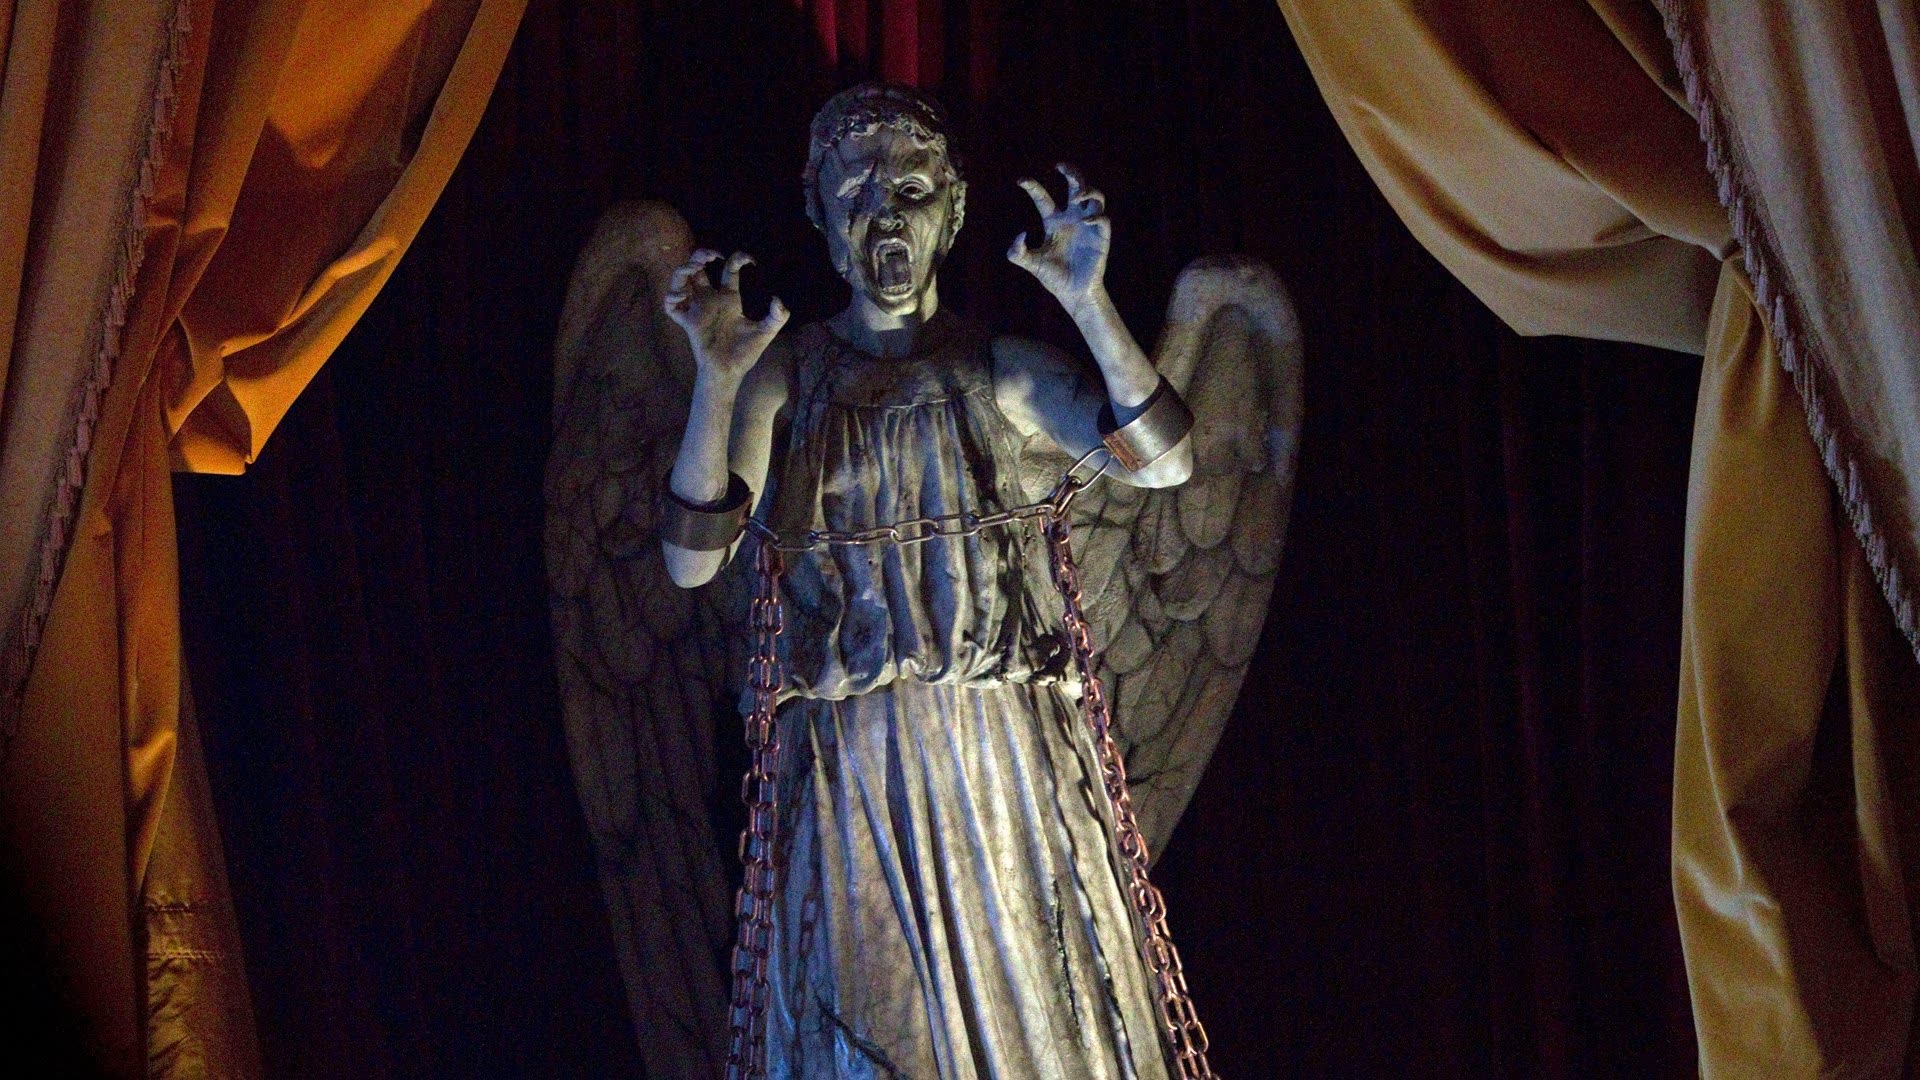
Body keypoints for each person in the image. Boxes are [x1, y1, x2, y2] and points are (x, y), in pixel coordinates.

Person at [658, 82, 1193, 1079]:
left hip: (998, 756)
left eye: (910, 189)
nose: (886, 214)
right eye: (856, 193)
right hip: (854, 762)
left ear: (952, 210)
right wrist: (718, 379)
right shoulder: (789, 376)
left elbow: (1164, 464)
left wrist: (1088, 301)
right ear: (820, 215)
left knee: (1037, 1019)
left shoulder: (1002, 369)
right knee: (869, 1030)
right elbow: (692, 560)